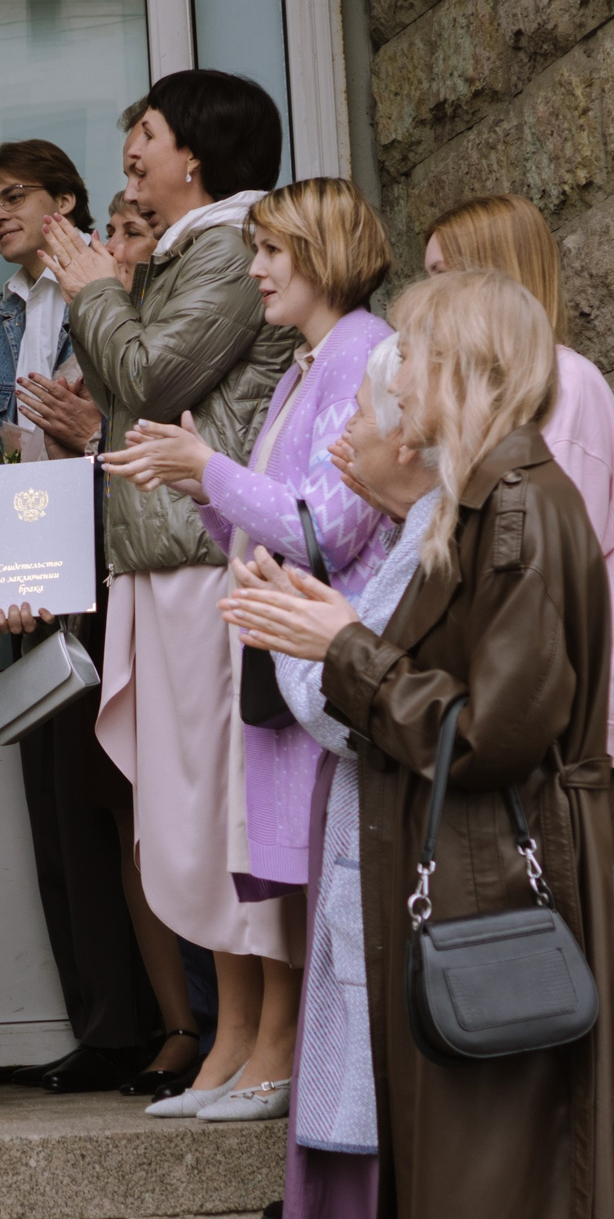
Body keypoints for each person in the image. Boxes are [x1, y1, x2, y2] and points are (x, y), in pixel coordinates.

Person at [230, 268, 614, 1219]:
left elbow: (492, 733)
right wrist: (335, 635)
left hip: (495, 891)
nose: (394, 375)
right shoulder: (487, 502)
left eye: (415, 351)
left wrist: (339, 650)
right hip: (468, 885)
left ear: (460, 372)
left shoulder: (516, 512)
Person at [102, 179, 395, 1121]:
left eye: (273, 253)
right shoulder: (315, 361)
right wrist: (195, 482)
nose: (257, 270)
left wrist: (207, 469)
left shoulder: (357, 354)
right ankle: (287, 1076)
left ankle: (305, 1083)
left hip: (320, 661)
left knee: (328, 896)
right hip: (286, 657)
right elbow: (270, 520)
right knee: (299, 886)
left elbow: (326, 527)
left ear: (323, 256)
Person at [421, 194, 614, 1219]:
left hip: (574, 741)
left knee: (581, 992)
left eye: (436, 282)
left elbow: (529, 600)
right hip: (555, 729)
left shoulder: (557, 397)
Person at [38, 70, 298, 1124]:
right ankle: (230, 1037)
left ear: (195, 155)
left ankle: (271, 1041)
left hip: (208, 553)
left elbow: (146, 381)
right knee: (188, 812)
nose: (129, 152)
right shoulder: (190, 252)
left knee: (231, 809)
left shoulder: (233, 249)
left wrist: (95, 291)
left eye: (143, 133)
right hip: (161, 553)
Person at [220, 334, 435, 1219]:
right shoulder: (425, 533)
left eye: (362, 420)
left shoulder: (439, 541)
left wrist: (316, 640)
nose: (345, 436)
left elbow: (370, 708)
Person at [0, 141, 162, 1095]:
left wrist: (79, 445)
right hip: (33, 577)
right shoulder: (3, 316)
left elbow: (149, 430)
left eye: (15, 196)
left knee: (126, 809)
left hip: (115, 573)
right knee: (58, 815)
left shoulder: (116, 298)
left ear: (63, 201)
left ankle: (169, 1024)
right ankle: (104, 1024)